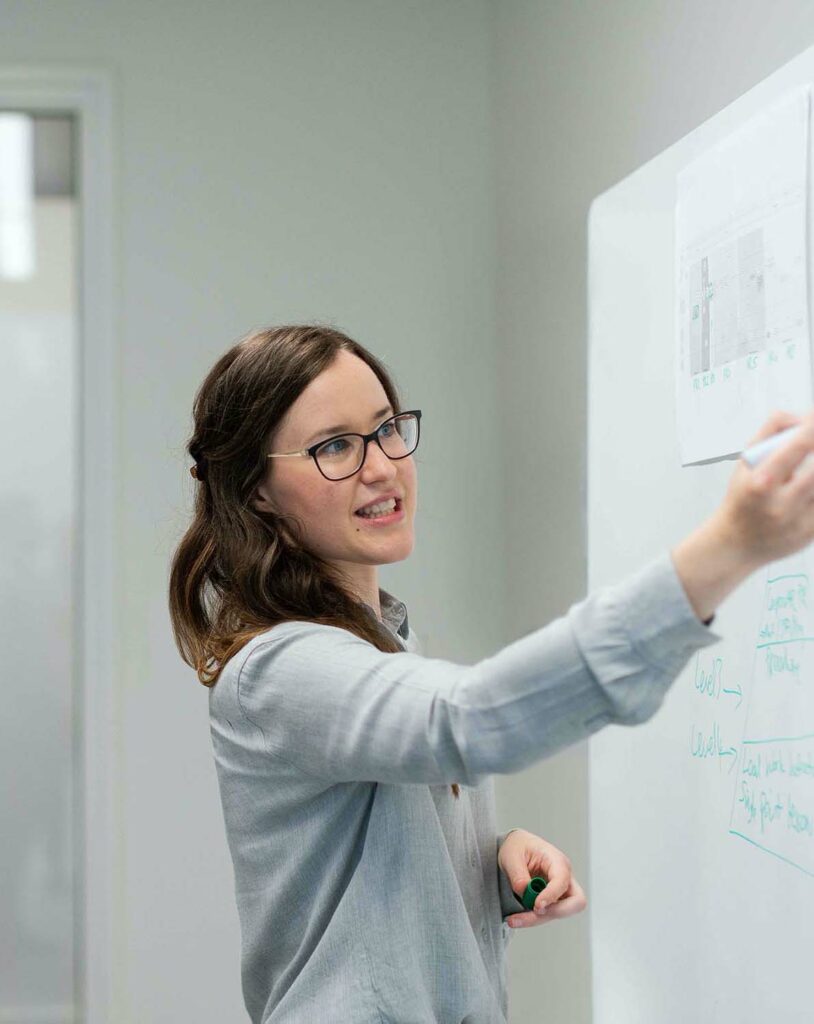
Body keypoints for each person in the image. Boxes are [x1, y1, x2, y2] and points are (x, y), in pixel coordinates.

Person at [168, 323, 814, 1024]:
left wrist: (484, 858)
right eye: (334, 448)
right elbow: (468, 720)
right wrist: (727, 550)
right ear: (258, 491)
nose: (383, 466)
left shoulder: (383, 641)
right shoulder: (278, 670)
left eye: (386, 429)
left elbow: (360, 885)